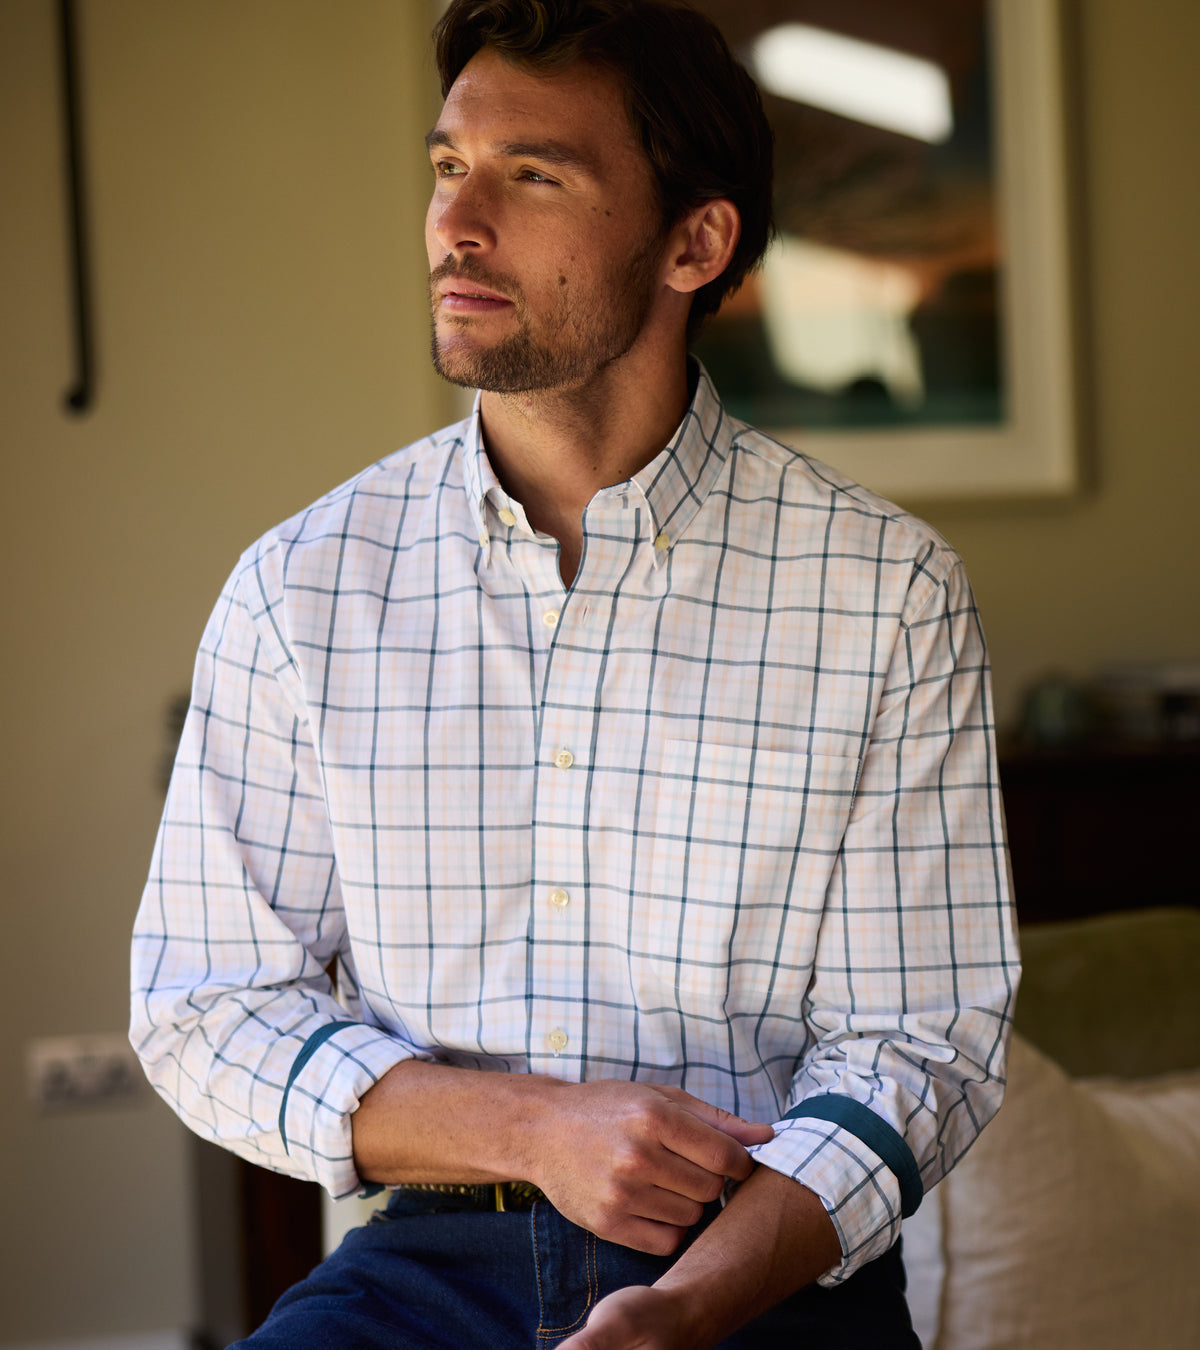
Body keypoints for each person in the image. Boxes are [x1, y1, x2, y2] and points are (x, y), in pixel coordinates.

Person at [130, 2, 1018, 1347]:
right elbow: (201, 1003)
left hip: (761, 1273)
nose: (455, 222)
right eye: (447, 168)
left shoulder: (885, 594)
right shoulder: (299, 589)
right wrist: (535, 1125)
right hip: (420, 1266)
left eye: (531, 174)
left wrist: (691, 1302)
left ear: (694, 241)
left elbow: (922, 1042)